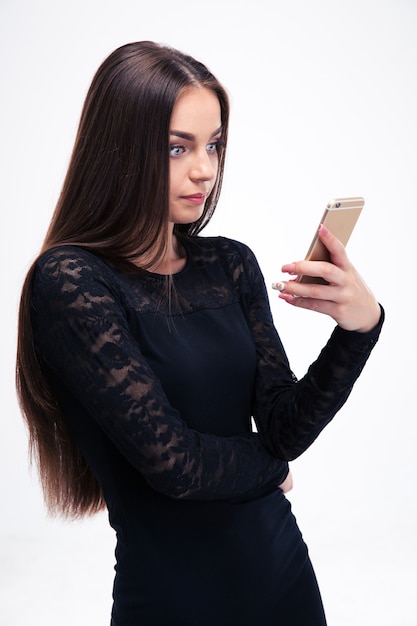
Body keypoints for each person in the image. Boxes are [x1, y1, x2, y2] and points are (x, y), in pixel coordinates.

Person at [16, 41, 383, 626]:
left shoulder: (230, 264)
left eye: (213, 145)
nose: (205, 169)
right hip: (174, 598)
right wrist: (270, 469)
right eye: (176, 147)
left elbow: (282, 425)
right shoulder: (72, 281)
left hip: (283, 575)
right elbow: (175, 465)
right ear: (119, 151)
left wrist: (359, 330)